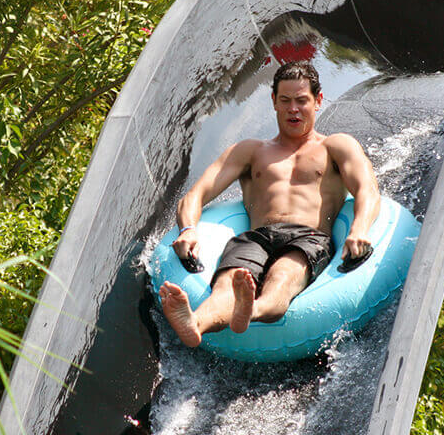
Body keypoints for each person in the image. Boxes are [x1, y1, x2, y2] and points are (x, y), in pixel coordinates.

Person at [159, 61, 381, 348]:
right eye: (285, 100)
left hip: (309, 238)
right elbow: (195, 195)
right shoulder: (250, 151)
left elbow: (368, 190)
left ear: (318, 101)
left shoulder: (336, 146)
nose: (293, 109)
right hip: (257, 237)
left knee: (283, 276)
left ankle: (250, 310)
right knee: (227, 282)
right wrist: (188, 229)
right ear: (274, 101)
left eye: (302, 101)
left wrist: (359, 228)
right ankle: (194, 323)